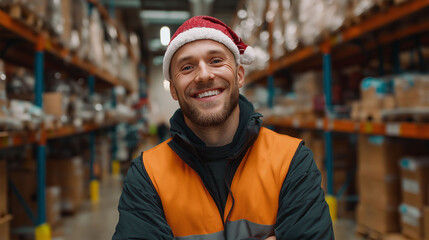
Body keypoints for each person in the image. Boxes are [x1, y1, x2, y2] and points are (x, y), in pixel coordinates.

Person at [113, 16, 334, 240]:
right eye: (187, 67)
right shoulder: (147, 175)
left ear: (239, 76)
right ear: (173, 90)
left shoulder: (291, 161)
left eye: (216, 61)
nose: (204, 75)